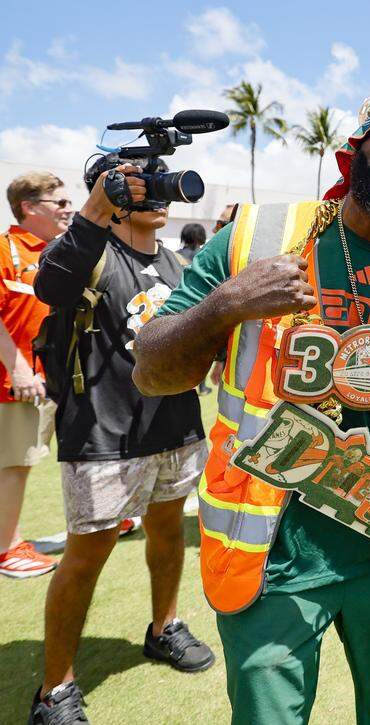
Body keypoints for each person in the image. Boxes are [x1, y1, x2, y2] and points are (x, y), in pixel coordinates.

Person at [134, 66, 370, 725]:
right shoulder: (259, 234)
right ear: (361, 138)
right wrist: (225, 305)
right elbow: (153, 369)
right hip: (270, 553)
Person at [29, 155, 214, 724]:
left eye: (159, 179)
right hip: (102, 428)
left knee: (167, 529)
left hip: (175, 424)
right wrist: (96, 208)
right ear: (108, 192)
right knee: (88, 554)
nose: (156, 192)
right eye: (139, 183)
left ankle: (165, 626)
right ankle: (54, 689)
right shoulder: (88, 251)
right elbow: (50, 284)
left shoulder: (181, 262)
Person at [0, 172, 71, 579]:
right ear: (28, 207)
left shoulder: (55, 252)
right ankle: (8, 549)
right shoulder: (6, 248)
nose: (68, 208)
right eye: (58, 202)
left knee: (21, 462)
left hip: (47, 380)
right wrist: (20, 369)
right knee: (14, 463)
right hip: (16, 383)